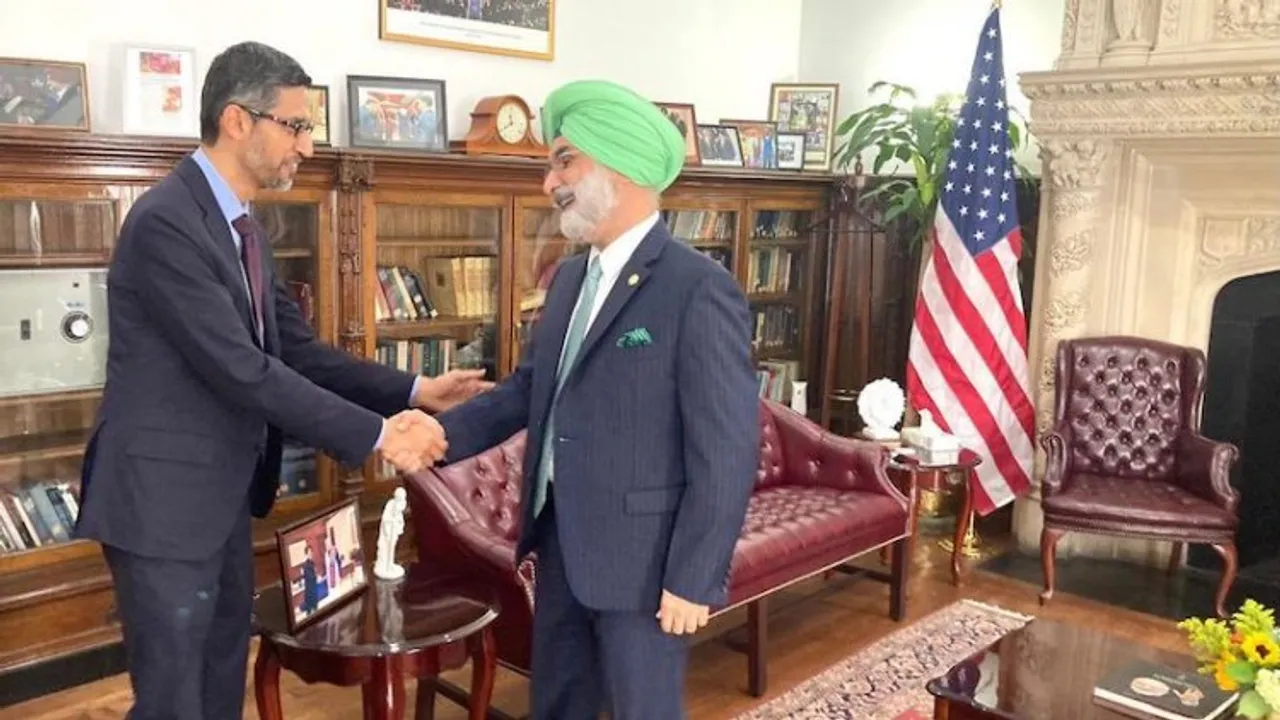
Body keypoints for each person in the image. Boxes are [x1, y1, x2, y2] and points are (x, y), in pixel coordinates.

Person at [73, 41, 490, 720]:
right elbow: (244, 370)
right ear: (239, 121)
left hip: (220, 497)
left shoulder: (244, 228)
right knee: (174, 699)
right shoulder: (166, 224)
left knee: (217, 684)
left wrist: (414, 393)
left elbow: (296, 351)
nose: (307, 144)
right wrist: (382, 435)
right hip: (161, 506)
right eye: (295, 126)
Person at [434, 79, 760, 719]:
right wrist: (439, 435)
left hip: (646, 569)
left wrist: (693, 577)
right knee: (558, 707)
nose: (547, 182)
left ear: (623, 165)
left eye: (563, 161)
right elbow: (532, 390)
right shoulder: (569, 280)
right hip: (561, 547)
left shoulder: (698, 290)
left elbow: (726, 448)